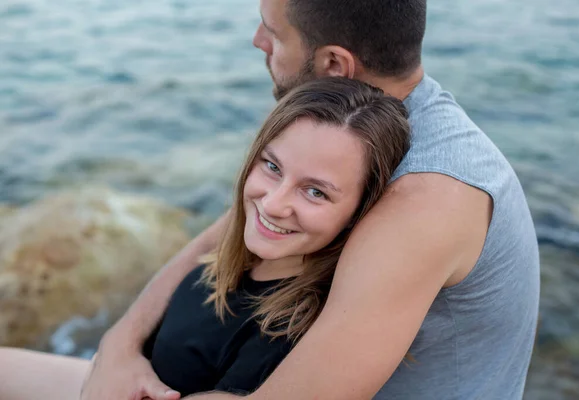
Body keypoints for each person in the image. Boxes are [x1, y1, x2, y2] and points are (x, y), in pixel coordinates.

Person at [2, 0, 541, 399]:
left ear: (334, 63)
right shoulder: (351, 119)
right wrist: (119, 349)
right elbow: (220, 236)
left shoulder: (425, 196)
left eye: (275, 32)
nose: (258, 41)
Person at [0, 78, 411, 399]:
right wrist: (117, 353)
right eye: (271, 166)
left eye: (315, 191)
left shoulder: (291, 333)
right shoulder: (241, 248)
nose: (274, 203)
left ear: (358, 212)